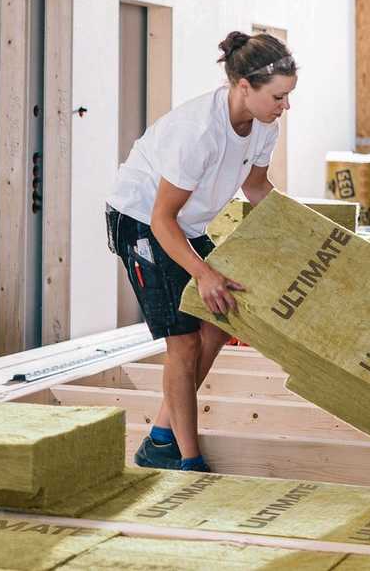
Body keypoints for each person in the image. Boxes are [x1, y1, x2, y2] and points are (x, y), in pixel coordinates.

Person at [105, 30, 297, 471]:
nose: (285, 106)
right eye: (279, 96)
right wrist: (204, 274)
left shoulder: (265, 125)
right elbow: (160, 220)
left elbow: (256, 187)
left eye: (287, 96)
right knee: (184, 342)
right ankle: (186, 458)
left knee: (217, 320)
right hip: (140, 220)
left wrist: (303, 234)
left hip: (183, 224)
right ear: (243, 86)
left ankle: (160, 436)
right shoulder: (199, 132)